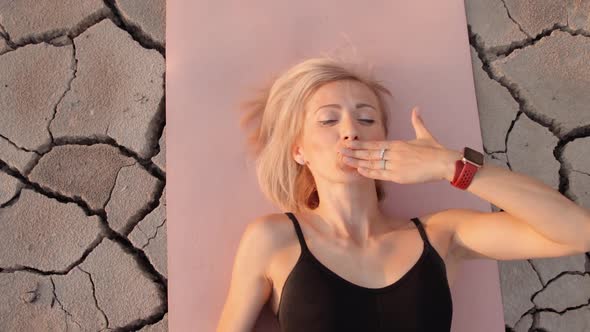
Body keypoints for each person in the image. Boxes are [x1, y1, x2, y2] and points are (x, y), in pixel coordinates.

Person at [216, 56, 590, 332]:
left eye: (366, 119)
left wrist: (451, 165)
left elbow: (579, 232)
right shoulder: (274, 239)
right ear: (298, 150)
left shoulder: (441, 236)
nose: (351, 131)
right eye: (329, 120)